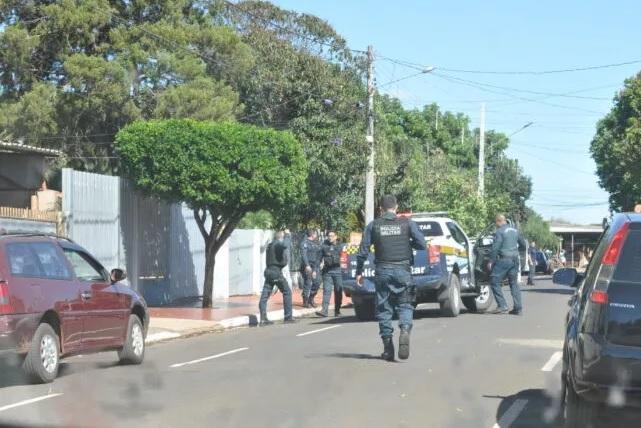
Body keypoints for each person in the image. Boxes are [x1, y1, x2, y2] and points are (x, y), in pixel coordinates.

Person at [356, 195, 426, 361]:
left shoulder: (374, 225)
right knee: (405, 305)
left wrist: (359, 272)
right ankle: (405, 329)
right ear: (396, 207)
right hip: (403, 270)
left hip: (383, 271)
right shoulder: (407, 223)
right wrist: (409, 243)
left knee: (383, 309)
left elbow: (363, 251)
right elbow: (422, 244)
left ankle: (388, 348)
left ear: (380, 208)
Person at [488, 214, 527, 315]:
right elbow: (523, 244)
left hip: (504, 260)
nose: (496, 225)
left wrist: (491, 260)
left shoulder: (500, 232)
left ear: (499, 221)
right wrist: (519, 253)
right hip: (515, 260)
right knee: (514, 283)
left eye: (496, 223)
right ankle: (518, 308)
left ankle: (502, 305)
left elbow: (496, 247)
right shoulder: (515, 230)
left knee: (494, 280)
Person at [259, 231, 295, 326]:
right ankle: (288, 317)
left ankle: (263, 319)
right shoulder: (278, 244)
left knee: (265, 295)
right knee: (287, 292)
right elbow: (285, 245)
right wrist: (287, 235)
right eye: (283, 238)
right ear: (281, 238)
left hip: (269, 271)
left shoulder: (270, 245)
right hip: (275, 271)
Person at [317, 230, 344, 317]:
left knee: (338, 291)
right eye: (329, 236)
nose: (330, 237)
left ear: (336, 236)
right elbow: (319, 258)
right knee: (326, 291)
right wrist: (315, 269)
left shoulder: (340, 246)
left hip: (338, 271)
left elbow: (345, 258)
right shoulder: (324, 246)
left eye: (332, 236)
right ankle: (324, 311)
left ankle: (337, 310)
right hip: (327, 271)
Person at [300, 229, 322, 308]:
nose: (317, 235)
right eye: (316, 234)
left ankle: (311, 298)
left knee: (317, 282)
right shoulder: (304, 243)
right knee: (308, 282)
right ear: (313, 234)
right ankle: (305, 301)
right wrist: (307, 265)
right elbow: (304, 255)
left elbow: (318, 257)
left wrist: (316, 268)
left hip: (315, 266)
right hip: (307, 266)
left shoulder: (316, 244)